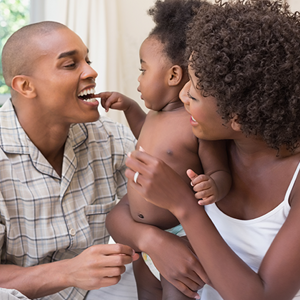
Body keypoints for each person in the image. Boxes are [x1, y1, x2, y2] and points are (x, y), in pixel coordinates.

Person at [106, 0, 300, 299]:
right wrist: (155, 242)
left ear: (237, 116)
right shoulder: (207, 148)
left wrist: (184, 206)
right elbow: (122, 214)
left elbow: (263, 296)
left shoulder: (294, 181)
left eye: (194, 92)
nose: (182, 94)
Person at [100, 0, 231, 299]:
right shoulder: (155, 117)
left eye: (142, 70)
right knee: (146, 291)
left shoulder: (195, 124)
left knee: (175, 293)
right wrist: (131, 108)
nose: (138, 79)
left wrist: (214, 185)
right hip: (141, 237)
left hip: (179, 236)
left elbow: (219, 170)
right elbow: (148, 141)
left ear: (173, 76)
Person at [0, 21, 139, 300]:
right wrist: (68, 272)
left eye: (87, 60)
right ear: (25, 86)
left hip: (91, 292)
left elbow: (154, 206)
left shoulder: (109, 136)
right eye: (70, 64)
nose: (91, 72)